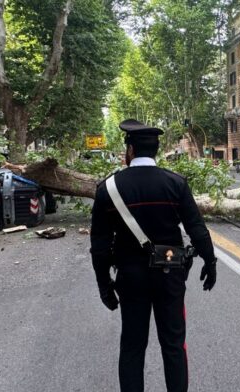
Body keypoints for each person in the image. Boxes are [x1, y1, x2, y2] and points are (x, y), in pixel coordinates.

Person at [90, 119, 217, 392]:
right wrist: (210, 260)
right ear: (156, 151)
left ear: (130, 151)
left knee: (133, 347)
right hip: (169, 275)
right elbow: (196, 228)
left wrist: (104, 286)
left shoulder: (108, 189)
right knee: (173, 345)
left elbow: (99, 246)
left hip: (130, 279)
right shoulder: (175, 183)